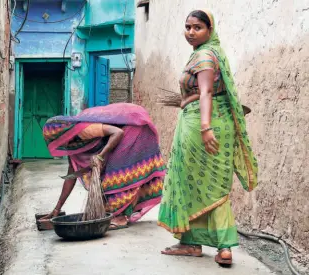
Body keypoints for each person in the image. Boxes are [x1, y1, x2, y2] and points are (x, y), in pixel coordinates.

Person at [157, 10, 258, 265]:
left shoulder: (203, 55)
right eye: (188, 27)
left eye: (197, 27)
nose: (191, 32)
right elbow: (208, 92)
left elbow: (207, 92)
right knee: (205, 184)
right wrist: (186, 101)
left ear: (209, 30)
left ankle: (206, 245)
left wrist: (204, 127)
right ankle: (208, 245)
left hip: (203, 128)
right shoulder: (214, 52)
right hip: (217, 122)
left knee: (200, 185)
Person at [40, 103, 167, 230]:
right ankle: (120, 213)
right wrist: (57, 208)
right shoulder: (71, 142)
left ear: (62, 134)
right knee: (109, 182)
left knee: (117, 177)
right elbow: (71, 176)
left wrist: (100, 156)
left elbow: (117, 133)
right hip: (126, 129)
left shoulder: (83, 130)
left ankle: (121, 217)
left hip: (136, 129)